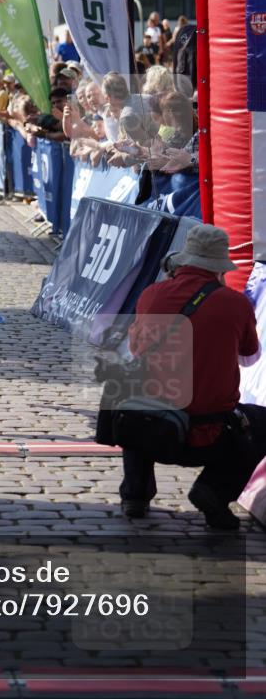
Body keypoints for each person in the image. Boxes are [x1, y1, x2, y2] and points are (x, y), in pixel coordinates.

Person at [118, 224, 265, 529]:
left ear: (182, 262)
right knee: (261, 422)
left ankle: (135, 493)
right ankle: (213, 489)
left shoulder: (151, 295)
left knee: (134, 403)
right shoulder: (235, 303)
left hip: (153, 429)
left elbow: (135, 350)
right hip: (208, 433)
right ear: (220, 268)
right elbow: (250, 359)